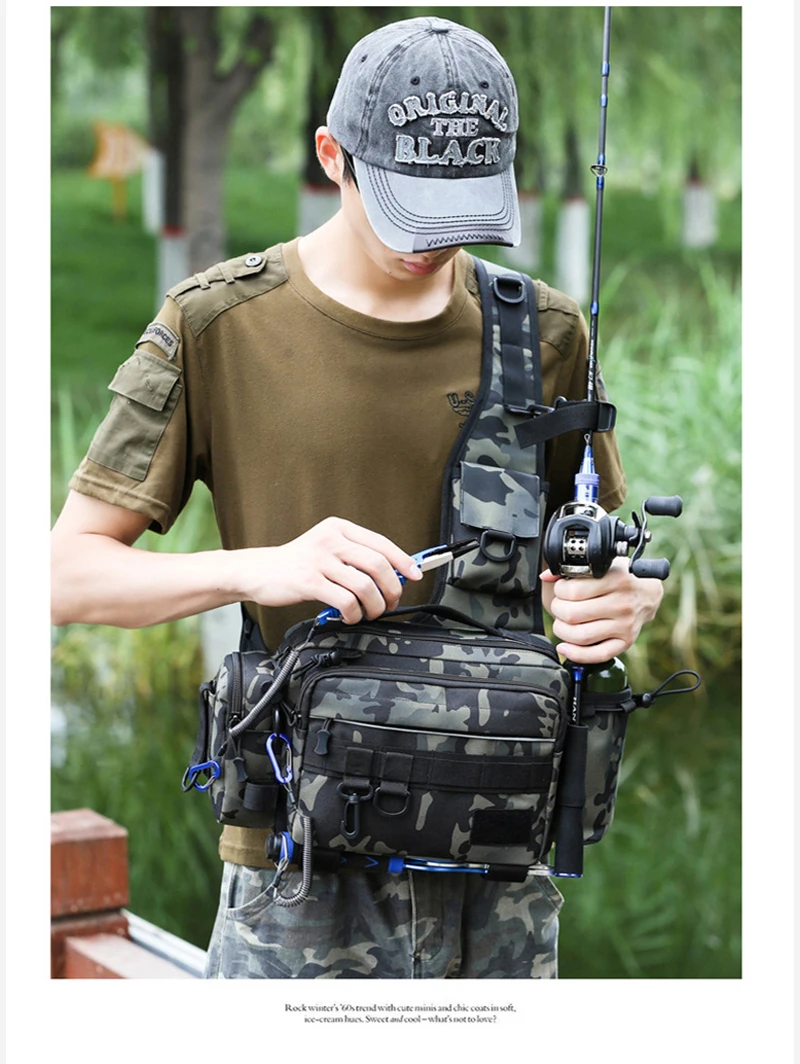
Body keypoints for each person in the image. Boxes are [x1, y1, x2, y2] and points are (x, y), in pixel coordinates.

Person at [51, 16, 662, 979]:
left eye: (460, 210)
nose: (433, 244)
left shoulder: (544, 333)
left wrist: (625, 600)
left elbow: (602, 555)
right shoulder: (217, 324)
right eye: (406, 206)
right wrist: (262, 567)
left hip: (498, 865)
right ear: (332, 156)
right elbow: (64, 576)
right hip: (298, 869)